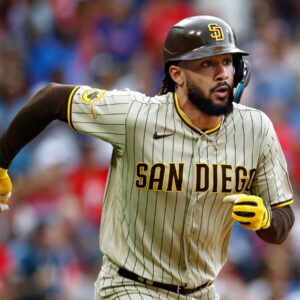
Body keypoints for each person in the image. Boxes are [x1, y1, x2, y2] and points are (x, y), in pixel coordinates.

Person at [0, 15, 295, 300]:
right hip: (130, 286)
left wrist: (265, 219)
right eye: (207, 63)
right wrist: (1, 162)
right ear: (177, 74)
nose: (222, 73)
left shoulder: (255, 128)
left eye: (227, 62)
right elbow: (50, 99)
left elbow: (283, 221)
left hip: (203, 291)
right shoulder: (137, 116)